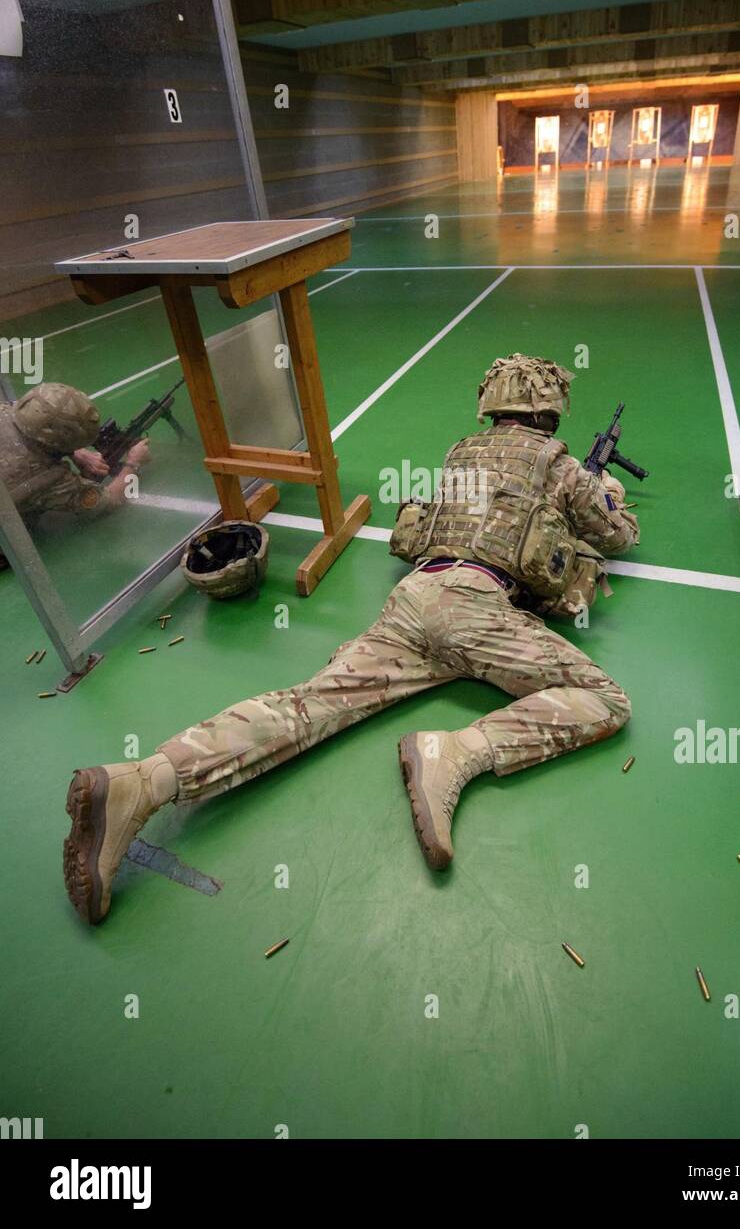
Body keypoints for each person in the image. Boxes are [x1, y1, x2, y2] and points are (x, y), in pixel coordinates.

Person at [63, 355, 640, 925]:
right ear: (548, 410)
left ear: (493, 405)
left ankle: (144, 782)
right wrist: (608, 488)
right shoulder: (558, 462)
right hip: (478, 612)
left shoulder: (460, 452)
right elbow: (617, 536)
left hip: (415, 599)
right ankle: (457, 752)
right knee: (605, 699)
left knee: (307, 706)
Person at [0, 382, 151, 527]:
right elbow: (110, 501)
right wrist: (133, 463)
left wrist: (74, 452)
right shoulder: (47, 478)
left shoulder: (6, 410)